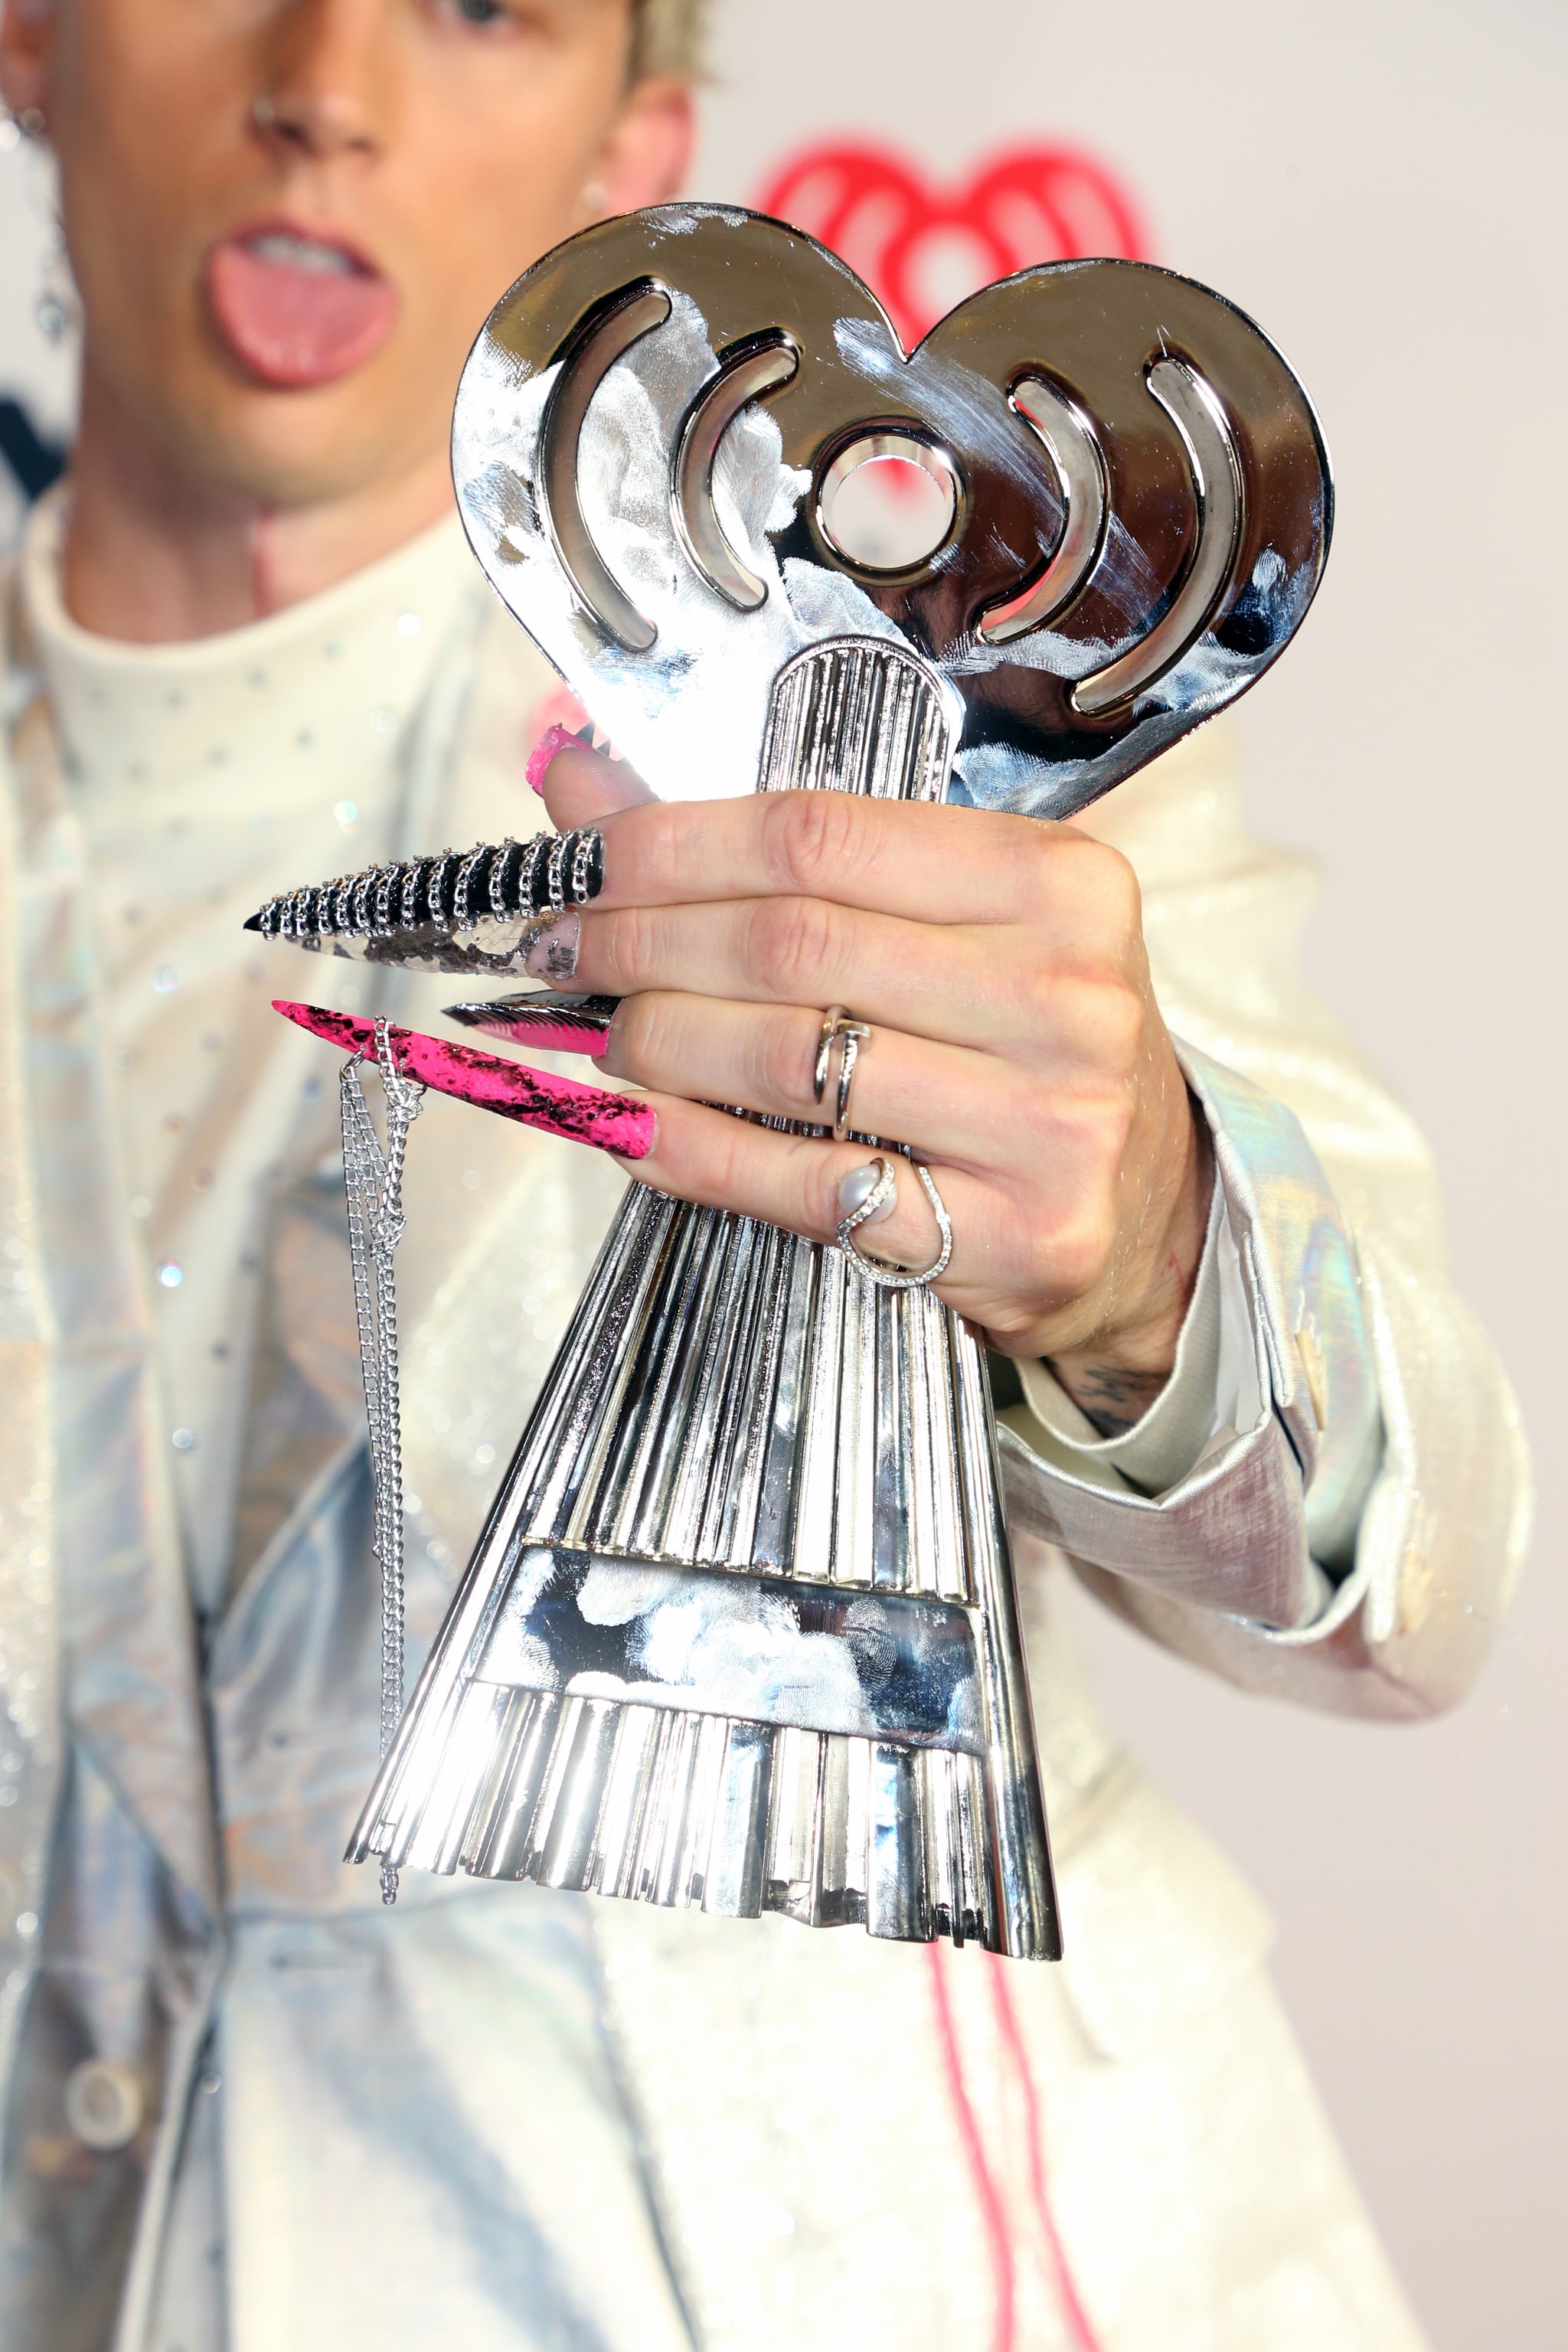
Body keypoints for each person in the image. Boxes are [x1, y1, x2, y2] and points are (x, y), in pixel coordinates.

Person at [0, 1, 1530, 2346]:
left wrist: (1136, 1251)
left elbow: (1403, 1571)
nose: (329, 74)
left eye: (483, 4)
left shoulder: (926, 706)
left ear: (644, 145)